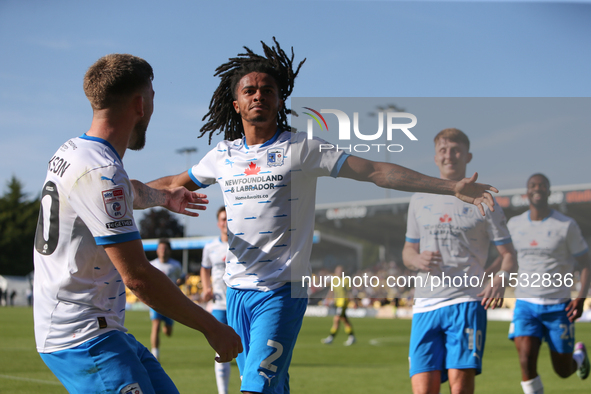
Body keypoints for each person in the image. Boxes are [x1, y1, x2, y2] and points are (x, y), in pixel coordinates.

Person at [147, 39, 499, 394]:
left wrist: (449, 186)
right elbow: (171, 185)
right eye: (250, 91)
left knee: (255, 387)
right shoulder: (221, 155)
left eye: (267, 90)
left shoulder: (302, 148)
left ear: (280, 100)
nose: (258, 96)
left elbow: (375, 170)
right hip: (236, 292)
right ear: (236, 103)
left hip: (283, 291)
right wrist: (115, 195)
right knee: (270, 385)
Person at [32, 54, 242, 394]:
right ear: (140, 104)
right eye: (154, 96)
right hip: (83, 336)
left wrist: (166, 197)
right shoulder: (101, 173)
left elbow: (127, 191)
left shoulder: (75, 151)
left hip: (103, 329)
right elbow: (138, 277)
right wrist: (212, 328)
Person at [402, 128, 518, 394]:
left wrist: (500, 279)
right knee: (422, 390)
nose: (449, 155)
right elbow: (408, 251)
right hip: (425, 305)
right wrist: (417, 259)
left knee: (460, 388)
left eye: (455, 150)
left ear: (468, 156)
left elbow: (509, 255)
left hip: (465, 301)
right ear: (435, 158)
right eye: (443, 150)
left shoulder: (485, 200)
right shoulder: (418, 199)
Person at [506, 173, 590, 394]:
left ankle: (579, 357)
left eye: (542, 185)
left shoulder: (566, 225)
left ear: (549, 192)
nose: (537, 188)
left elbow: (584, 262)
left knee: (563, 370)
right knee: (525, 360)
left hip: (558, 305)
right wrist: (488, 274)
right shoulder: (514, 224)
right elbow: (506, 256)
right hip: (525, 303)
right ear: (526, 192)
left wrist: (581, 297)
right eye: (533, 185)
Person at [201, 206, 232, 394]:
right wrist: (206, 288)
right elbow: (205, 268)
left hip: (240, 304)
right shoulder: (210, 247)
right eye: (222, 219)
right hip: (219, 305)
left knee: (246, 349)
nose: (225, 222)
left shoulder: (241, 245)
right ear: (218, 223)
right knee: (221, 350)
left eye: (228, 218)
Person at [149, 238, 183, 361]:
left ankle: (167, 325)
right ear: (157, 251)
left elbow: (181, 278)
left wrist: (178, 283)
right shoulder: (152, 264)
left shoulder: (175, 265)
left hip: (171, 302)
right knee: (156, 324)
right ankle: (155, 354)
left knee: (168, 332)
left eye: (165, 248)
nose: (163, 251)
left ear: (169, 251)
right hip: (156, 301)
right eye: (160, 248)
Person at [321, 265, 356, 346]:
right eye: (337, 271)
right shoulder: (334, 280)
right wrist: (327, 299)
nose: (339, 272)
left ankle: (331, 337)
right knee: (344, 320)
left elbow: (349, 292)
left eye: (340, 271)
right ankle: (352, 337)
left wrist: (354, 302)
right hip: (337, 302)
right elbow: (331, 290)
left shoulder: (346, 280)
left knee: (336, 319)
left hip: (343, 302)